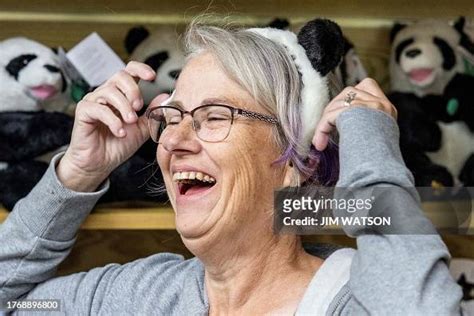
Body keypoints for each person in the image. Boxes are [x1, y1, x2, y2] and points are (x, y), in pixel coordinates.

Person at [0, 19, 464, 315]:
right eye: (173, 117)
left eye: (215, 117)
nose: (174, 141)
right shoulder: (142, 295)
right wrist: (77, 174)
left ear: (295, 161)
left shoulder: (350, 299)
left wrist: (370, 138)